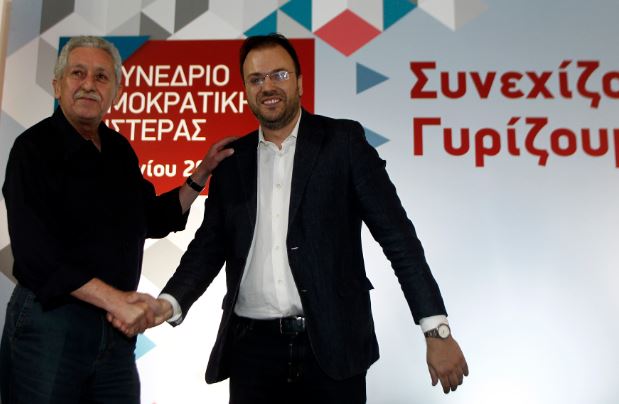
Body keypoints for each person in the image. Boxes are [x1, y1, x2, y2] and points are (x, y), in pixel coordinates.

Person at [142, 33, 468, 403]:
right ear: (245, 90)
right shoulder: (232, 160)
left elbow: (398, 239)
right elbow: (209, 246)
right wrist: (169, 301)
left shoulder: (343, 142)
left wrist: (435, 329)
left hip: (332, 348)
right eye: (256, 79)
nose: (268, 86)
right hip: (251, 354)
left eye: (279, 75)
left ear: (299, 81)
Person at [0, 35, 234, 404]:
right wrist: (116, 301)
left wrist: (201, 174)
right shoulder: (33, 149)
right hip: (51, 325)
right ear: (57, 85)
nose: (89, 84)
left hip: (114, 332)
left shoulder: (119, 150)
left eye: (101, 76)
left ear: (116, 92)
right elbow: (36, 255)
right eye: (78, 73)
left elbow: (152, 217)